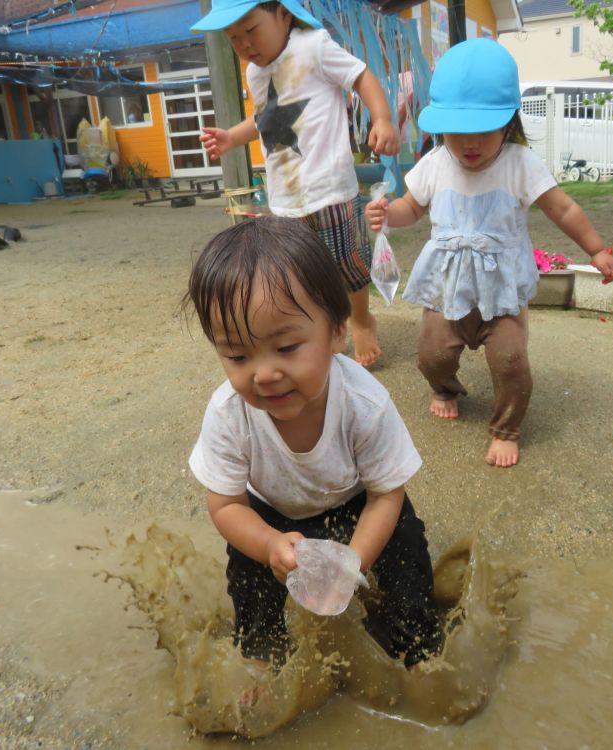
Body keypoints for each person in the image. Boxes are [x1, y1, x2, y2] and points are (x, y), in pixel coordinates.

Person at [183, 217, 443, 671]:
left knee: (404, 545)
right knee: (248, 569)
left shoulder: (364, 403)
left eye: (286, 348)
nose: (263, 373)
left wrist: (353, 562)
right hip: (272, 514)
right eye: (238, 356)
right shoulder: (229, 412)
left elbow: (386, 493)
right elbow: (226, 505)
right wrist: (267, 545)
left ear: (336, 333)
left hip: (357, 501)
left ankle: (416, 647)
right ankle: (261, 657)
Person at [365, 39, 613, 469]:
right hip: (448, 288)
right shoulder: (434, 163)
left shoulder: (520, 163)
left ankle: (506, 428)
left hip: (501, 293)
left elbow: (562, 207)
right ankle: (446, 389)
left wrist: (595, 248)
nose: (469, 143)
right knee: (432, 357)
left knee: (510, 361)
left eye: (483, 131)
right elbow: (413, 207)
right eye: (456, 130)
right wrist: (388, 213)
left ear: (509, 123)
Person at [192, 0, 399, 368]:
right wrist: (230, 137)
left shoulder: (313, 46)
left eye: (251, 30)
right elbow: (265, 119)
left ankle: (362, 319)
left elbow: (361, 76)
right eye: (233, 38)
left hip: (330, 187)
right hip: (286, 197)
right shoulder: (256, 75)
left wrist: (381, 118)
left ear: (283, 14)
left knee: (347, 261)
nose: (244, 45)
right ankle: (325, 327)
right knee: (302, 271)